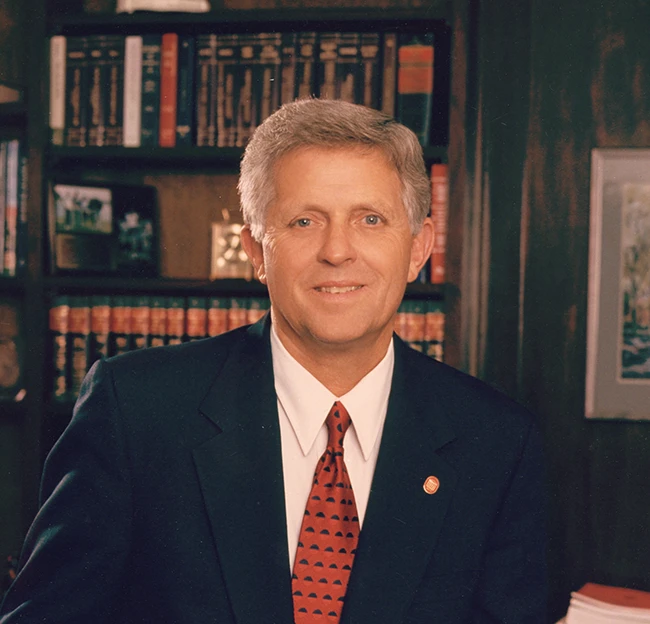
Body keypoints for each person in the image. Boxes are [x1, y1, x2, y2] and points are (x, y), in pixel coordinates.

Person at [0, 99, 547, 624]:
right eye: (305, 222)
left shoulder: (496, 442)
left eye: (371, 220)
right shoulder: (136, 410)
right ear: (258, 252)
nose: (338, 251)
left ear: (419, 248)